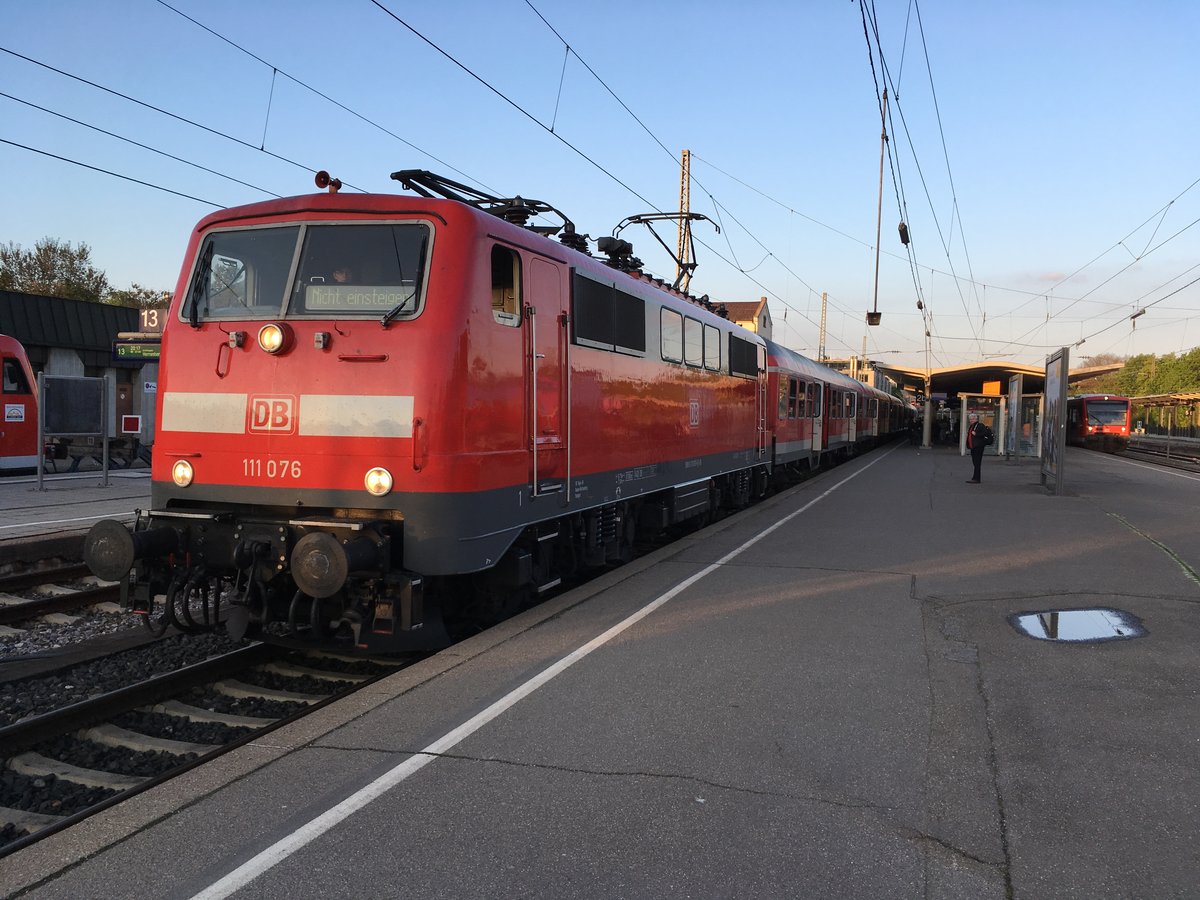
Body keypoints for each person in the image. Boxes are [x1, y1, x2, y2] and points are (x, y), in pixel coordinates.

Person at [965, 412, 990, 483]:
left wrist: (976, 434)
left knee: (977, 462)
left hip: (978, 447)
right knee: (975, 462)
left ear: (976, 419)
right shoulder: (971, 426)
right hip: (973, 447)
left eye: (972, 419)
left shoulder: (980, 425)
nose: (971, 420)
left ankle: (977, 478)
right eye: (970, 419)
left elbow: (985, 433)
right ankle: (974, 477)